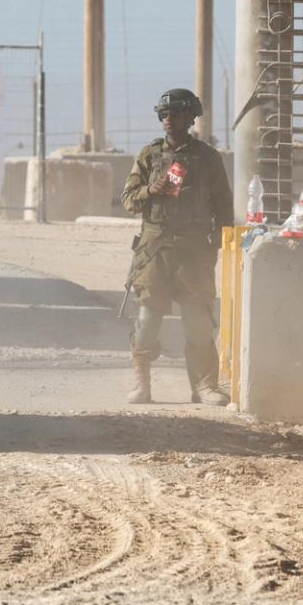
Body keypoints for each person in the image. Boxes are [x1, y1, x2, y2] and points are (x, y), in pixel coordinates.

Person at [120, 87, 232, 406]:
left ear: (190, 117)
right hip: (155, 247)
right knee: (146, 323)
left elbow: (224, 206)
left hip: (194, 248)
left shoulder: (208, 158)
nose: (168, 119)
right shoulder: (150, 155)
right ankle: (142, 385)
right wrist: (151, 190)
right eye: (164, 114)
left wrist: (215, 245)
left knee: (197, 323)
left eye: (176, 113)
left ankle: (204, 386)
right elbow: (128, 199)